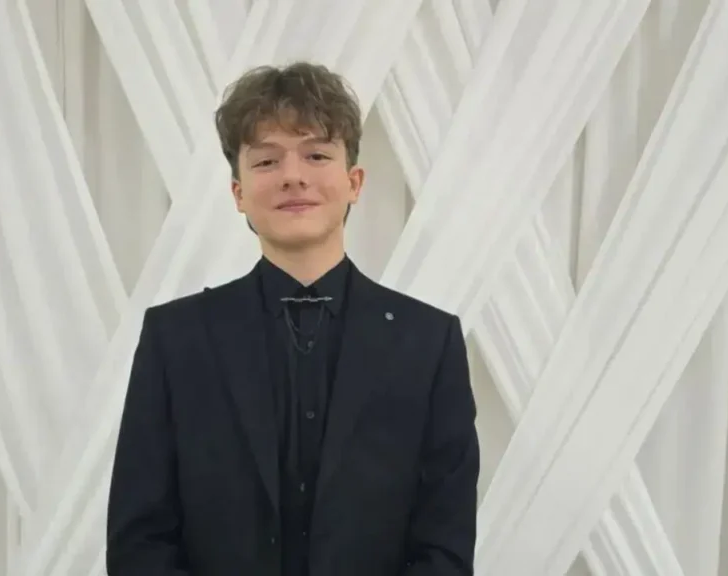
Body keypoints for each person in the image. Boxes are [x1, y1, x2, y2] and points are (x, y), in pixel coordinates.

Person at [106, 61, 480, 576]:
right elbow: (139, 544)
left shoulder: (429, 342)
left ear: (354, 182)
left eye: (317, 155)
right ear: (238, 193)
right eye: (266, 161)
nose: (293, 176)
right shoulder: (175, 339)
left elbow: (446, 545)